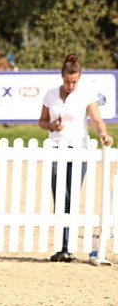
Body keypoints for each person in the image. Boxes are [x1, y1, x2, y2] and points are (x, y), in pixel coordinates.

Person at [39, 53, 112, 262]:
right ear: (62, 77)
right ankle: (63, 246)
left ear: (79, 78)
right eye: (68, 81)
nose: (71, 86)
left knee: (72, 195)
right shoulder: (51, 95)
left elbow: (96, 120)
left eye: (74, 81)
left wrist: (103, 134)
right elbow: (41, 121)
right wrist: (51, 126)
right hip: (56, 147)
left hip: (78, 148)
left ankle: (67, 246)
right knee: (59, 195)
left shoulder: (87, 94)